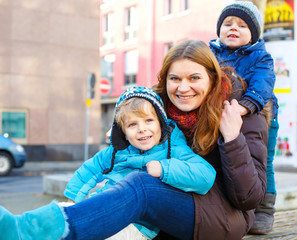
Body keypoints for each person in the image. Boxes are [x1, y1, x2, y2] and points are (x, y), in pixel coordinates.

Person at [0, 40, 270, 240]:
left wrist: (233, 139)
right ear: (165, 81)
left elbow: (250, 198)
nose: (183, 87)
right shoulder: (159, 110)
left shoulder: (241, 112)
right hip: (170, 205)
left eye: (194, 78)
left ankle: (27, 231)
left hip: (220, 215)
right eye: (175, 78)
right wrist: (122, 133)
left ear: (212, 78)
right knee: (117, 200)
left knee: (142, 186)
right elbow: (132, 117)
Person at [64, 86, 216, 239]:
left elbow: (206, 175)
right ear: (123, 131)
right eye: (132, 124)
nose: (142, 129)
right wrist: (72, 199)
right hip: (105, 206)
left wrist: (165, 169)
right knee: (64, 222)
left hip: (137, 224)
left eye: (149, 120)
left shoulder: (173, 148)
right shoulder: (117, 151)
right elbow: (90, 170)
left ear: (161, 122)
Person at [209, 1, 279, 234]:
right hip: (223, 118)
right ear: (218, 30)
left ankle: (264, 211)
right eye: (227, 23)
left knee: (262, 161)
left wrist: (244, 107)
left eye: (242, 25)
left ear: (253, 34)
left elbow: (262, 86)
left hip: (260, 116)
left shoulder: (261, 58)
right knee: (231, 161)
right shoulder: (210, 54)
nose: (233, 28)